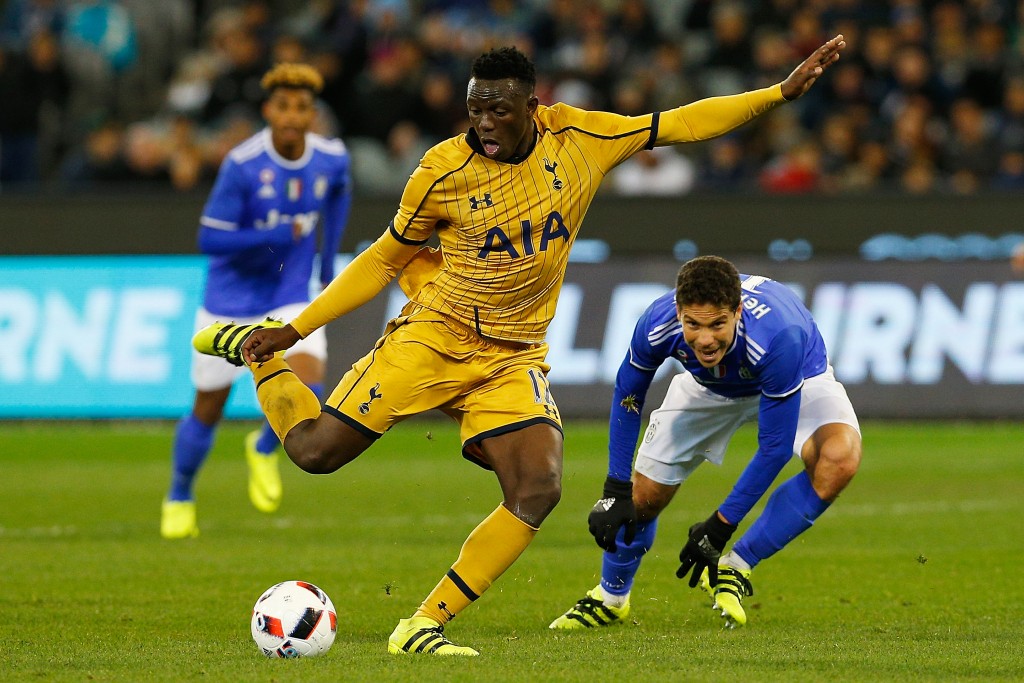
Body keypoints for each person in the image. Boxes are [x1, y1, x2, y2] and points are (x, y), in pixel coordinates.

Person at [192, 38, 846, 655]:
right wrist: (295, 330)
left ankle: (423, 622)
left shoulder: (582, 137)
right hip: (434, 334)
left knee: (538, 485)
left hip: (511, 355)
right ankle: (261, 359)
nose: (484, 122)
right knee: (313, 453)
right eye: (475, 108)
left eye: (499, 109)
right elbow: (385, 259)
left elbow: (680, 122)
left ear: (533, 106)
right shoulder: (441, 170)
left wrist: (777, 94)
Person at [549, 256, 861, 630]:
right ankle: (611, 598)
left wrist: (720, 526)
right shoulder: (656, 322)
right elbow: (629, 395)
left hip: (795, 381)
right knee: (643, 499)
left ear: (738, 311)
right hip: (707, 388)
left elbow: (774, 448)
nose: (705, 338)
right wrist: (615, 487)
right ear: (679, 311)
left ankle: (737, 566)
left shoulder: (779, 338)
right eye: (693, 324)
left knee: (838, 458)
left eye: (717, 324)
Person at [160, 62, 352, 539]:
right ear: (268, 110)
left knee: (309, 387)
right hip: (229, 300)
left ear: (313, 114)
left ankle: (266, 447)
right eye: (283, 106)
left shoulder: (331, 157)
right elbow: (209, 238)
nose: (292, 116)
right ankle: (180, 493)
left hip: (288, 293)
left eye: (302, 107)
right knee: (208, 407)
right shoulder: (243, 165)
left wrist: (327, 261)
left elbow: (340, 194)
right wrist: (270, 234)